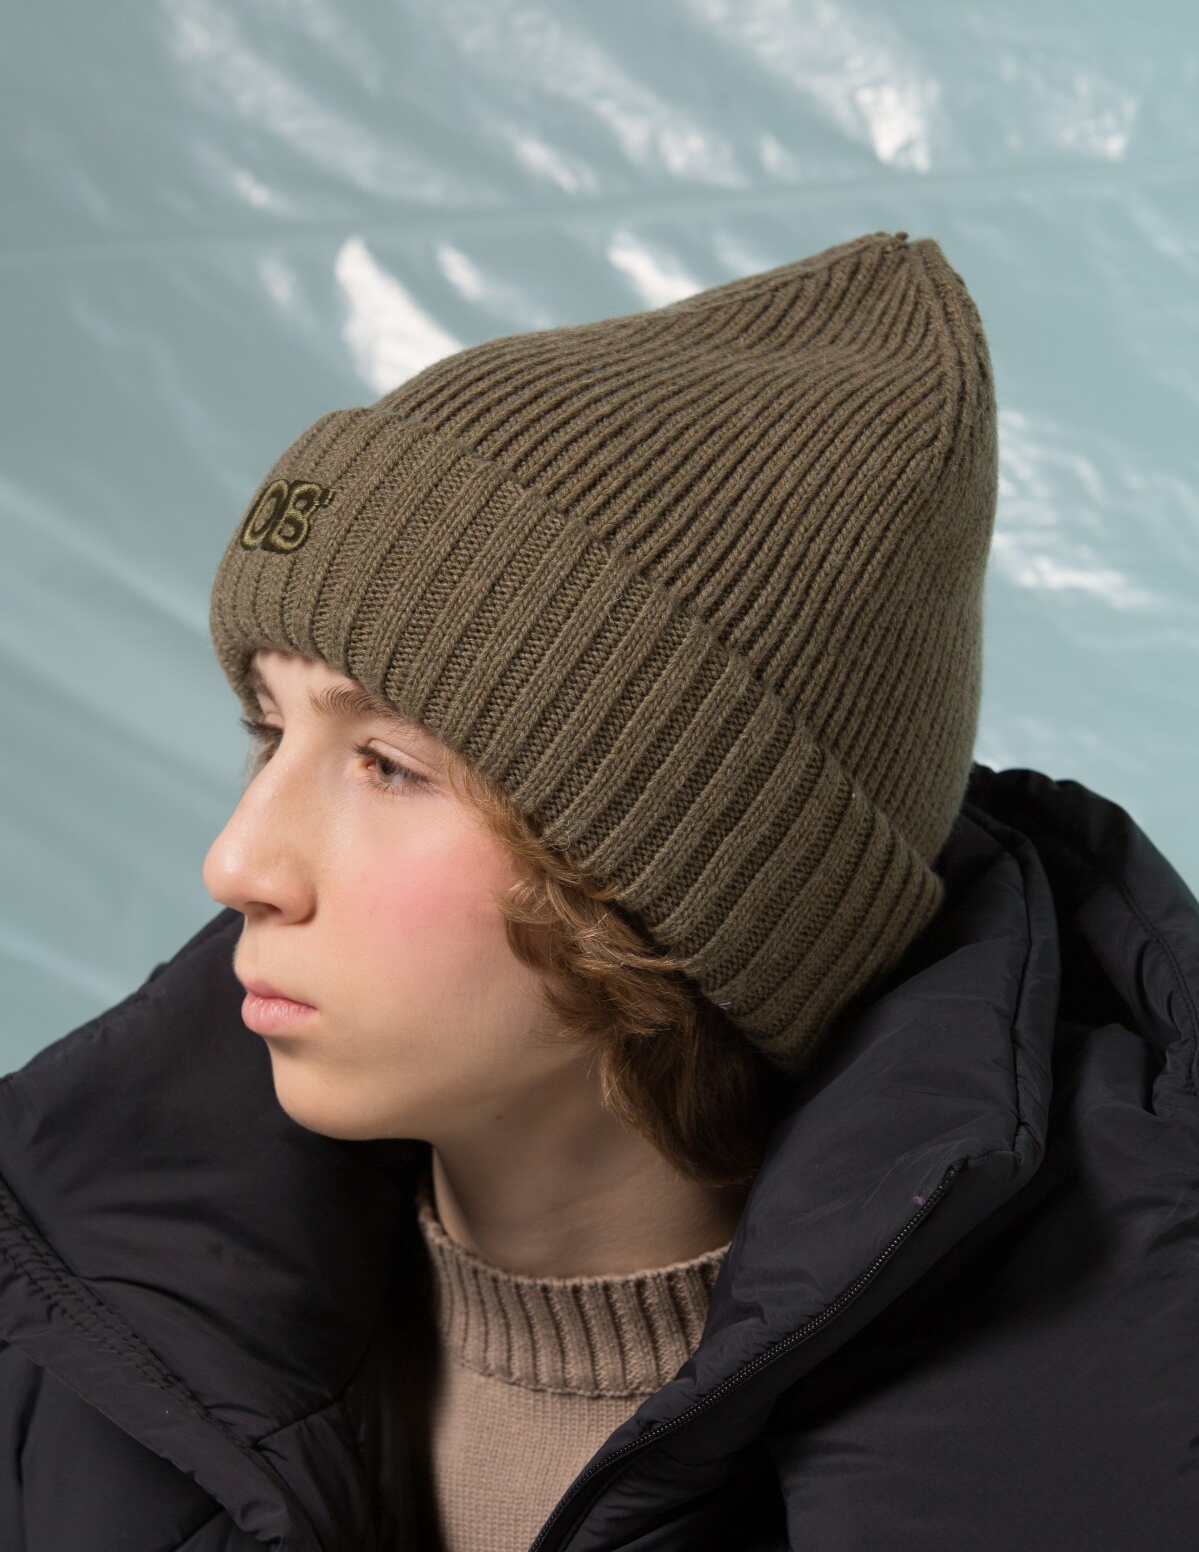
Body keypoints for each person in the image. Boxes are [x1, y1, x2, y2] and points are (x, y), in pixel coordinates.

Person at [1, 229, 1196, 1551]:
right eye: (269, 732)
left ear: (702, 875)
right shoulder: (64, 1313)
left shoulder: (1122, 1438)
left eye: (390, 764)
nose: (238, 864)